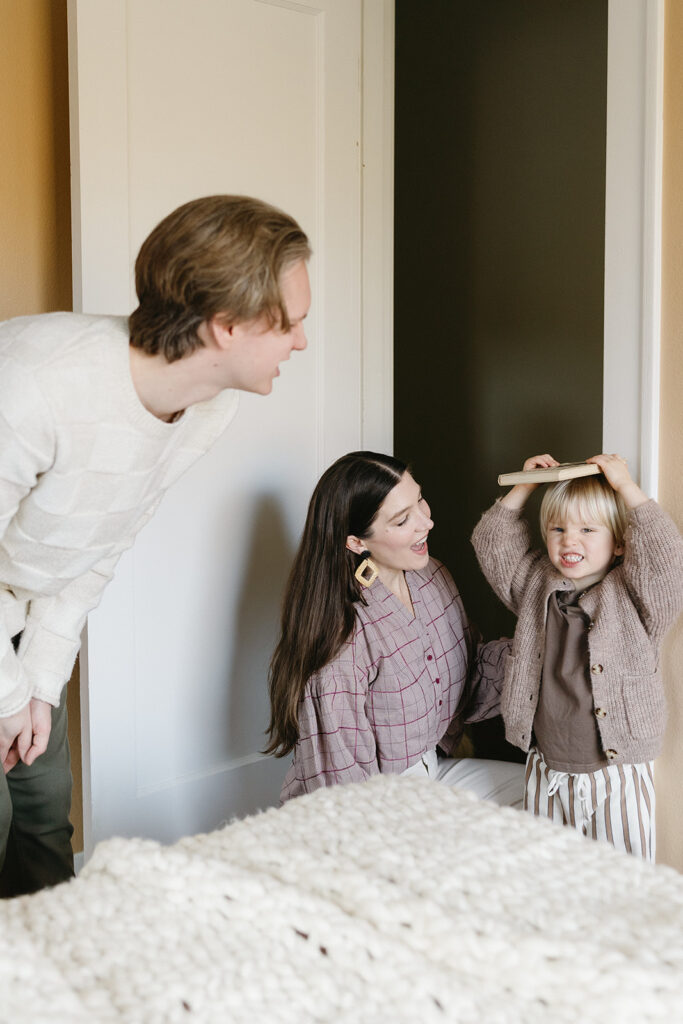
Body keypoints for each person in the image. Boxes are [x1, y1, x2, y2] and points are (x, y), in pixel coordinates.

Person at [0, 194, 311, 897]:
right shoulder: (32, 385)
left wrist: (39, 684)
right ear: (225, 326)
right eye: (290, 323)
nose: (300, 341)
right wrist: (6, 693)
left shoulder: (206, 407)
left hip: (24, 622)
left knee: (45, 818)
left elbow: (97, 545)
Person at [265, 450, 526, 805]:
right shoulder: (344, 635)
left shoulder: (432, 575)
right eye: (403, 520)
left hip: (433, 766)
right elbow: (342, 787)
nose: (426, 523)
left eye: (420, 500)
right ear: (356, 541)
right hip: (376, 798)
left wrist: (543, 652)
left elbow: (469, 672)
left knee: (545, 797)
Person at [471, 452, 683, 860]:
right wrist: (524, 486)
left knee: (620, 877)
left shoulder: (637, 600)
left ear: (620, 541)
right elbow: (492, 544)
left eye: (588, 529)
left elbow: (663, 559)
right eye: (558, 529)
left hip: (615, 773)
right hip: (546, 767)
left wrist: (626, 488)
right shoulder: (535, 586)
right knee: (550, 874)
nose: (570, 540)